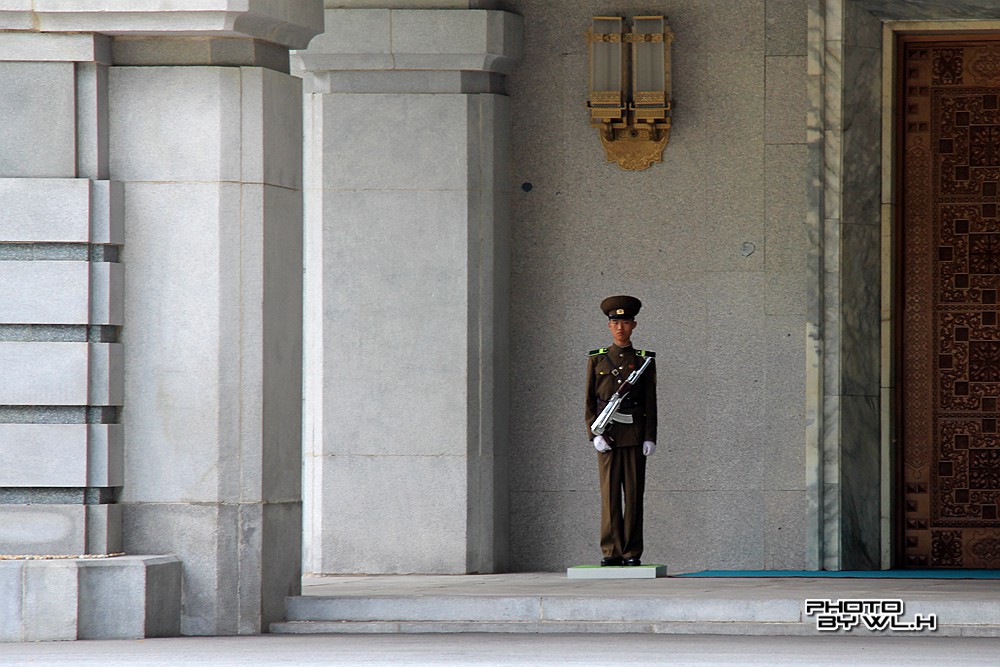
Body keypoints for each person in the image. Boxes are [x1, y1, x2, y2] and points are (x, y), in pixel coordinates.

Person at [584, 295, 657, 566]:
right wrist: (595, 435)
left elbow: (650, 400)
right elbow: (590, 400)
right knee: (610, 496)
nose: (620, 328)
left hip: (635, 435)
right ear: (609, 326)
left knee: (634, 495)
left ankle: (631, 552)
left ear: (634, 325)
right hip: (608, 437)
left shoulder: (643, 360)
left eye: (625, 322)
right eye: (615, 322)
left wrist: (650, 436)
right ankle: (611, 551)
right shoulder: (597, 359)